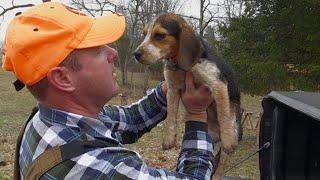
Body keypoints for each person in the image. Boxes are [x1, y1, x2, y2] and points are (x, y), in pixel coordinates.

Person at [2, 2, 215, 180]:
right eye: (97, 50)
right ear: (63, 78)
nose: (113, 52)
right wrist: (196, 115)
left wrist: (171, 85)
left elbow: (130, 119)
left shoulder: (50, 119)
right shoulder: (97, 168)